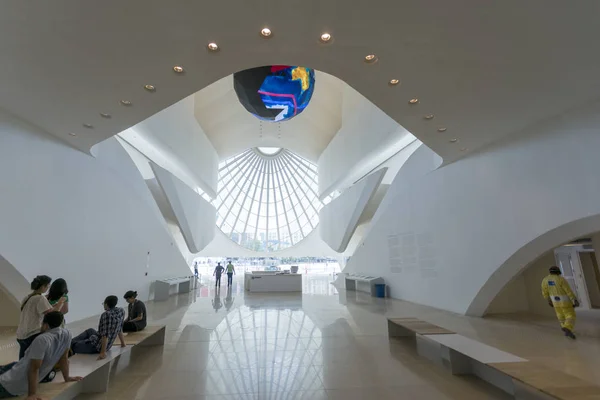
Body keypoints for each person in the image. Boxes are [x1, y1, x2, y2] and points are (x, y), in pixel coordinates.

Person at [0, 312, 82, 399]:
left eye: (42, 323)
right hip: (17, 370)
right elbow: (64, 358)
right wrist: (67, 378)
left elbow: (34, 368)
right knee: (12, 364)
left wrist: (32, 395)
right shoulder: (67, 334)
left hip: (8, 384)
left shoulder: (42, 339)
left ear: (46, 325)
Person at [16, 276, 66, 359]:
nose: (48, 288)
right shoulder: (40, 298)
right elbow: (53, 315)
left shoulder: (27, 297)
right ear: (43, 286)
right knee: (33, 362)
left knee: (22, 362)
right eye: (47, 286)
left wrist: (53, 305)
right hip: (32, 335)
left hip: (21, 335)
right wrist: (61, 302)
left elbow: (41, 309)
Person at [542, 266, 580, 339]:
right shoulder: (560, 279)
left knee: (560, 316)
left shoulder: (545, 280)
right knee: (570, 315)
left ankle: (566, 329)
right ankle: (567, 327)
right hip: (565, 302)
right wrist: (574, 299)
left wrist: (549, 300)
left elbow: (544, 291)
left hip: (555, 302)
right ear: (558, 271)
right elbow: (568, 290)